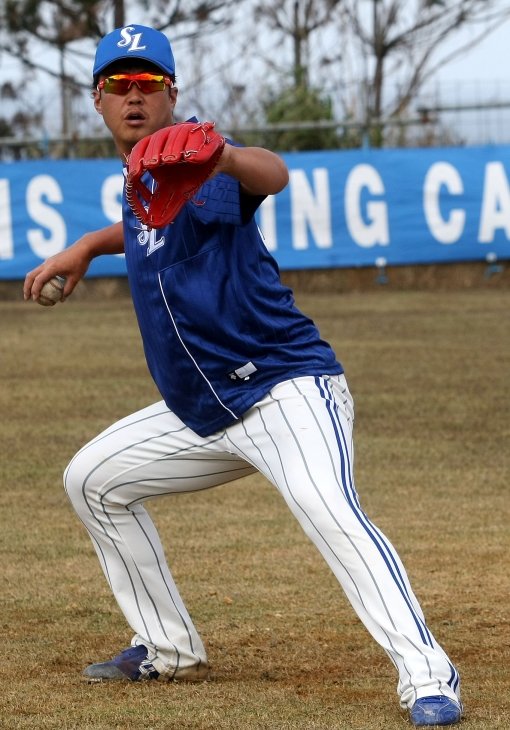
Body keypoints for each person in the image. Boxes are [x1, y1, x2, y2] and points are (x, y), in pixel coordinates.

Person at [24, 24, 462, 727]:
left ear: (173, 96)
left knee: (329, 512)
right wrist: (85, 247)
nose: (134, 98)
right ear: (97, 101)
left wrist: (225, 156)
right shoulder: (139, 184)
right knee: (93, 480)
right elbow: (140, 227)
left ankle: (428, 676)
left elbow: (272, 175)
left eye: (149, 85)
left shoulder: (199, 168)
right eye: (118, 85)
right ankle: (167, 646)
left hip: (283, 390)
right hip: (206, 408)